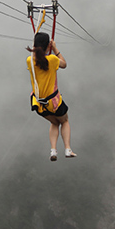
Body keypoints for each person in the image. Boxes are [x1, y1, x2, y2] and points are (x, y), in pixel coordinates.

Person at [26, 32, 77, 161]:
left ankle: (53, 150)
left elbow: (35, 56)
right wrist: (54, 48)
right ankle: (67, 149)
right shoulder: (53, 60)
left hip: (39, 104)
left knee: (54, 123)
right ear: (48, 46)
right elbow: (64, 64)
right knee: (64, 121)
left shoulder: (30, 61)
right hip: (54, 102)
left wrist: (37, 45)